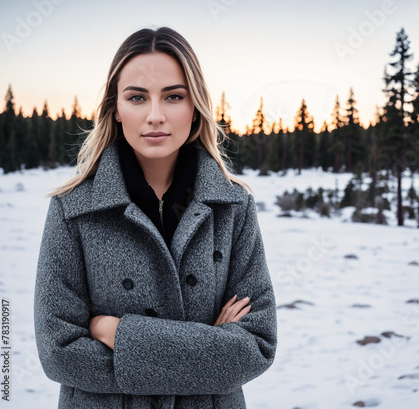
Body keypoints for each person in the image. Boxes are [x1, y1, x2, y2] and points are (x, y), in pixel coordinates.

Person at [34, 26, 277, 409]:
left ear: (195, 107)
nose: (155, 116)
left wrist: (115, 332)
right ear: (116, 109)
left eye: (173, 96)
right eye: (137, 97)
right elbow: (59, 352)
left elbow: (257, 346)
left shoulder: (233, 207)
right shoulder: (72, 210)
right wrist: (208, 347)